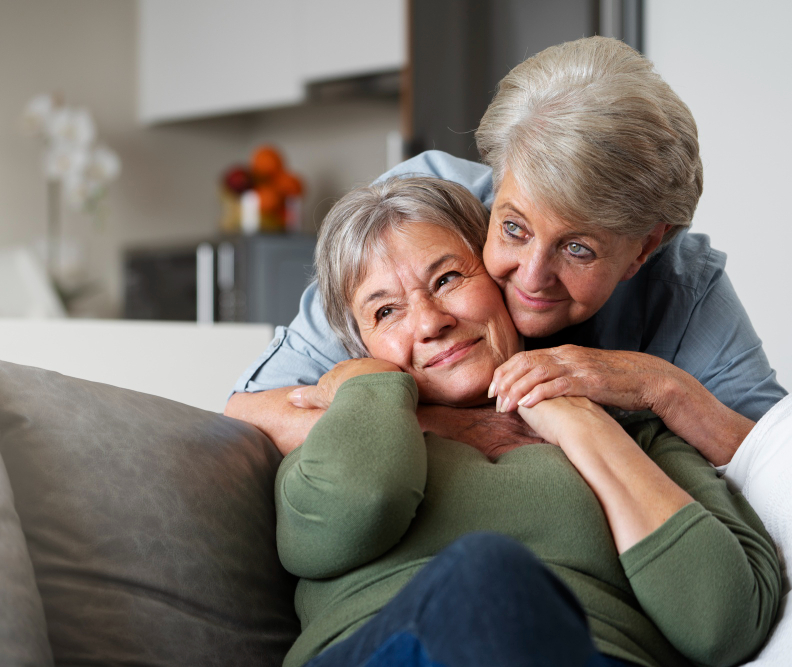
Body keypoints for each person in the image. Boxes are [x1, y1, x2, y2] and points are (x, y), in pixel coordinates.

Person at [275, 175, 781, 667]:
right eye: (385, 313)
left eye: (447, 279)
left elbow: (726, 625)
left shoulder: (643, 437)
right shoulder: (337, 437)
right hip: (389, 651)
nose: (430, 322)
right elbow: (358, 508)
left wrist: (583, 423)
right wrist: (368, 382)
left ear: (500, 280)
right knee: (487, 576)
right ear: (359, 344)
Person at [226, 37, 786, 465]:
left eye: (578, 248)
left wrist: (659, 386)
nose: (532, 277)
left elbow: (776, 471)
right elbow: (249, 412)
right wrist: (442, 426)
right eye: (514, 229)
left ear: (644, 248)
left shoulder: (684, 287)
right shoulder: (425, 222)